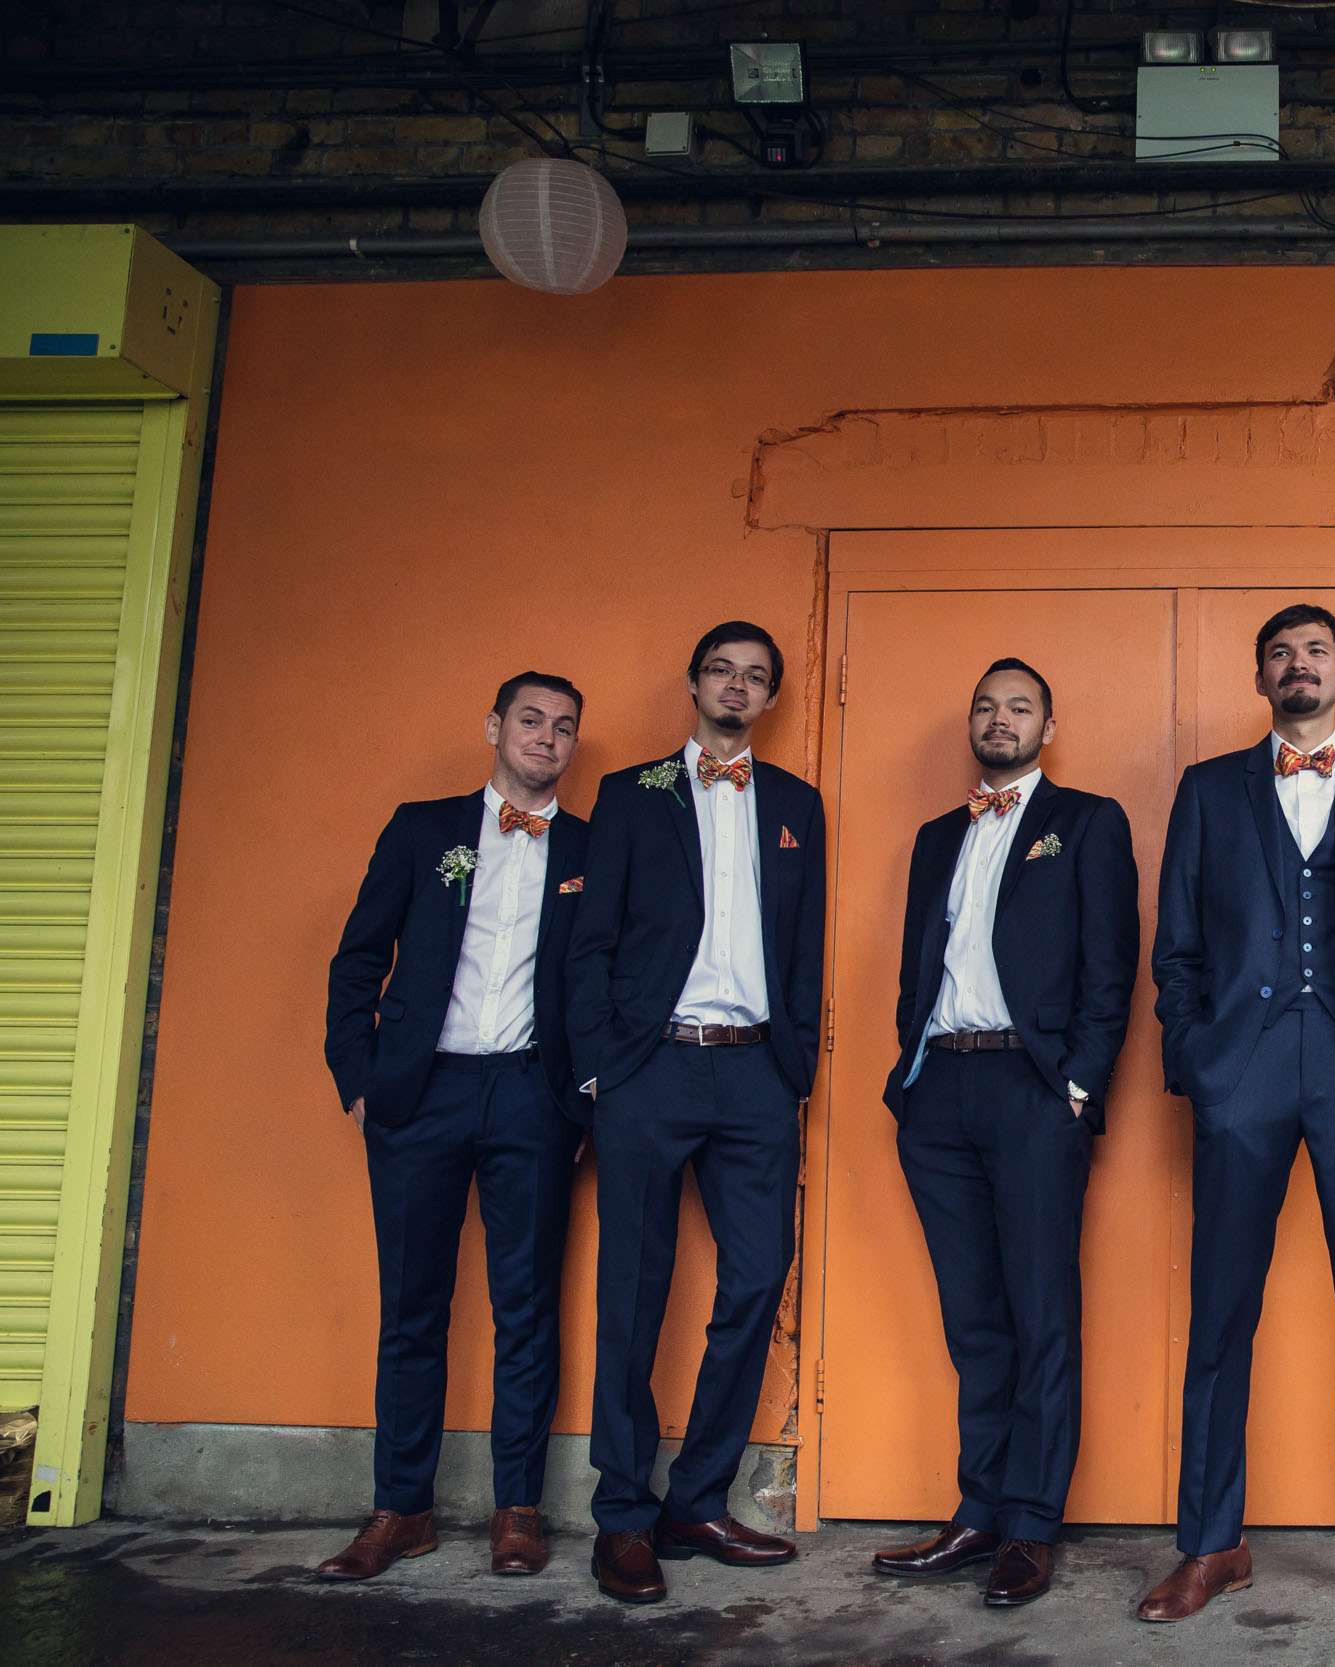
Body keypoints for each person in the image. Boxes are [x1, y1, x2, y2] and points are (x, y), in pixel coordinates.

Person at [1140, 603, 1335, 1623]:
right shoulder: (1208, 789)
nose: (1298, 665)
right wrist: (1196, 1057)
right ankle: (1211, 1542)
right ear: (1260, 678)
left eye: (1316, 651)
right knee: (1221, 1309)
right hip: (1243, 1067)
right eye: (1280, 652)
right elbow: (1177, 946)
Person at [869, 658, 1139, 1608]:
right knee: (974, 1319)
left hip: (1033, 1089)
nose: (1000, 718)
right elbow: (919, 962)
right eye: (985, 705)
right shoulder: (937, 835)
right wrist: (908, 1076)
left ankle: (1030, 1522)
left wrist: (1075, 1085)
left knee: (1040, 1312)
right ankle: (978, 1508)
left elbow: (1112, 967)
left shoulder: (1088, 822)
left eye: (1019, 706)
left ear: (1047, 727)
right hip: (939, 1088)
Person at [569, 621, 827, 1604]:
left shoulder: (796, 803)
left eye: (756, 676)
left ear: (770, 698)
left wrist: (794, 1067)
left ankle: (698, 1498)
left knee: (757, 1276)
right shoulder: (630, 793)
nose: (737, 686)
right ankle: (622, 1514)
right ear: (693, 682)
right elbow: (591, 940)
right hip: (651, 1068)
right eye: (722, 669)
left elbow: (803, 944)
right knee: (634, 1291)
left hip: (756, 1072)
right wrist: (601, 1066)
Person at [318, 672, 591, 1582]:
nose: (546, 737)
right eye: (530, 719)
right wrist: (360, 1079)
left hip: (532, 1096)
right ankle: (401, 1510)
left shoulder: (590, 848)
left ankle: (519, 1510)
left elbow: (607, 978)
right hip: (419, 1094)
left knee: (527, 1310)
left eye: (563, 727)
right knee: (412, 1307)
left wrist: (582, 1099)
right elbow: (359, 957)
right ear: (493, 727)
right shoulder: (423, 828)